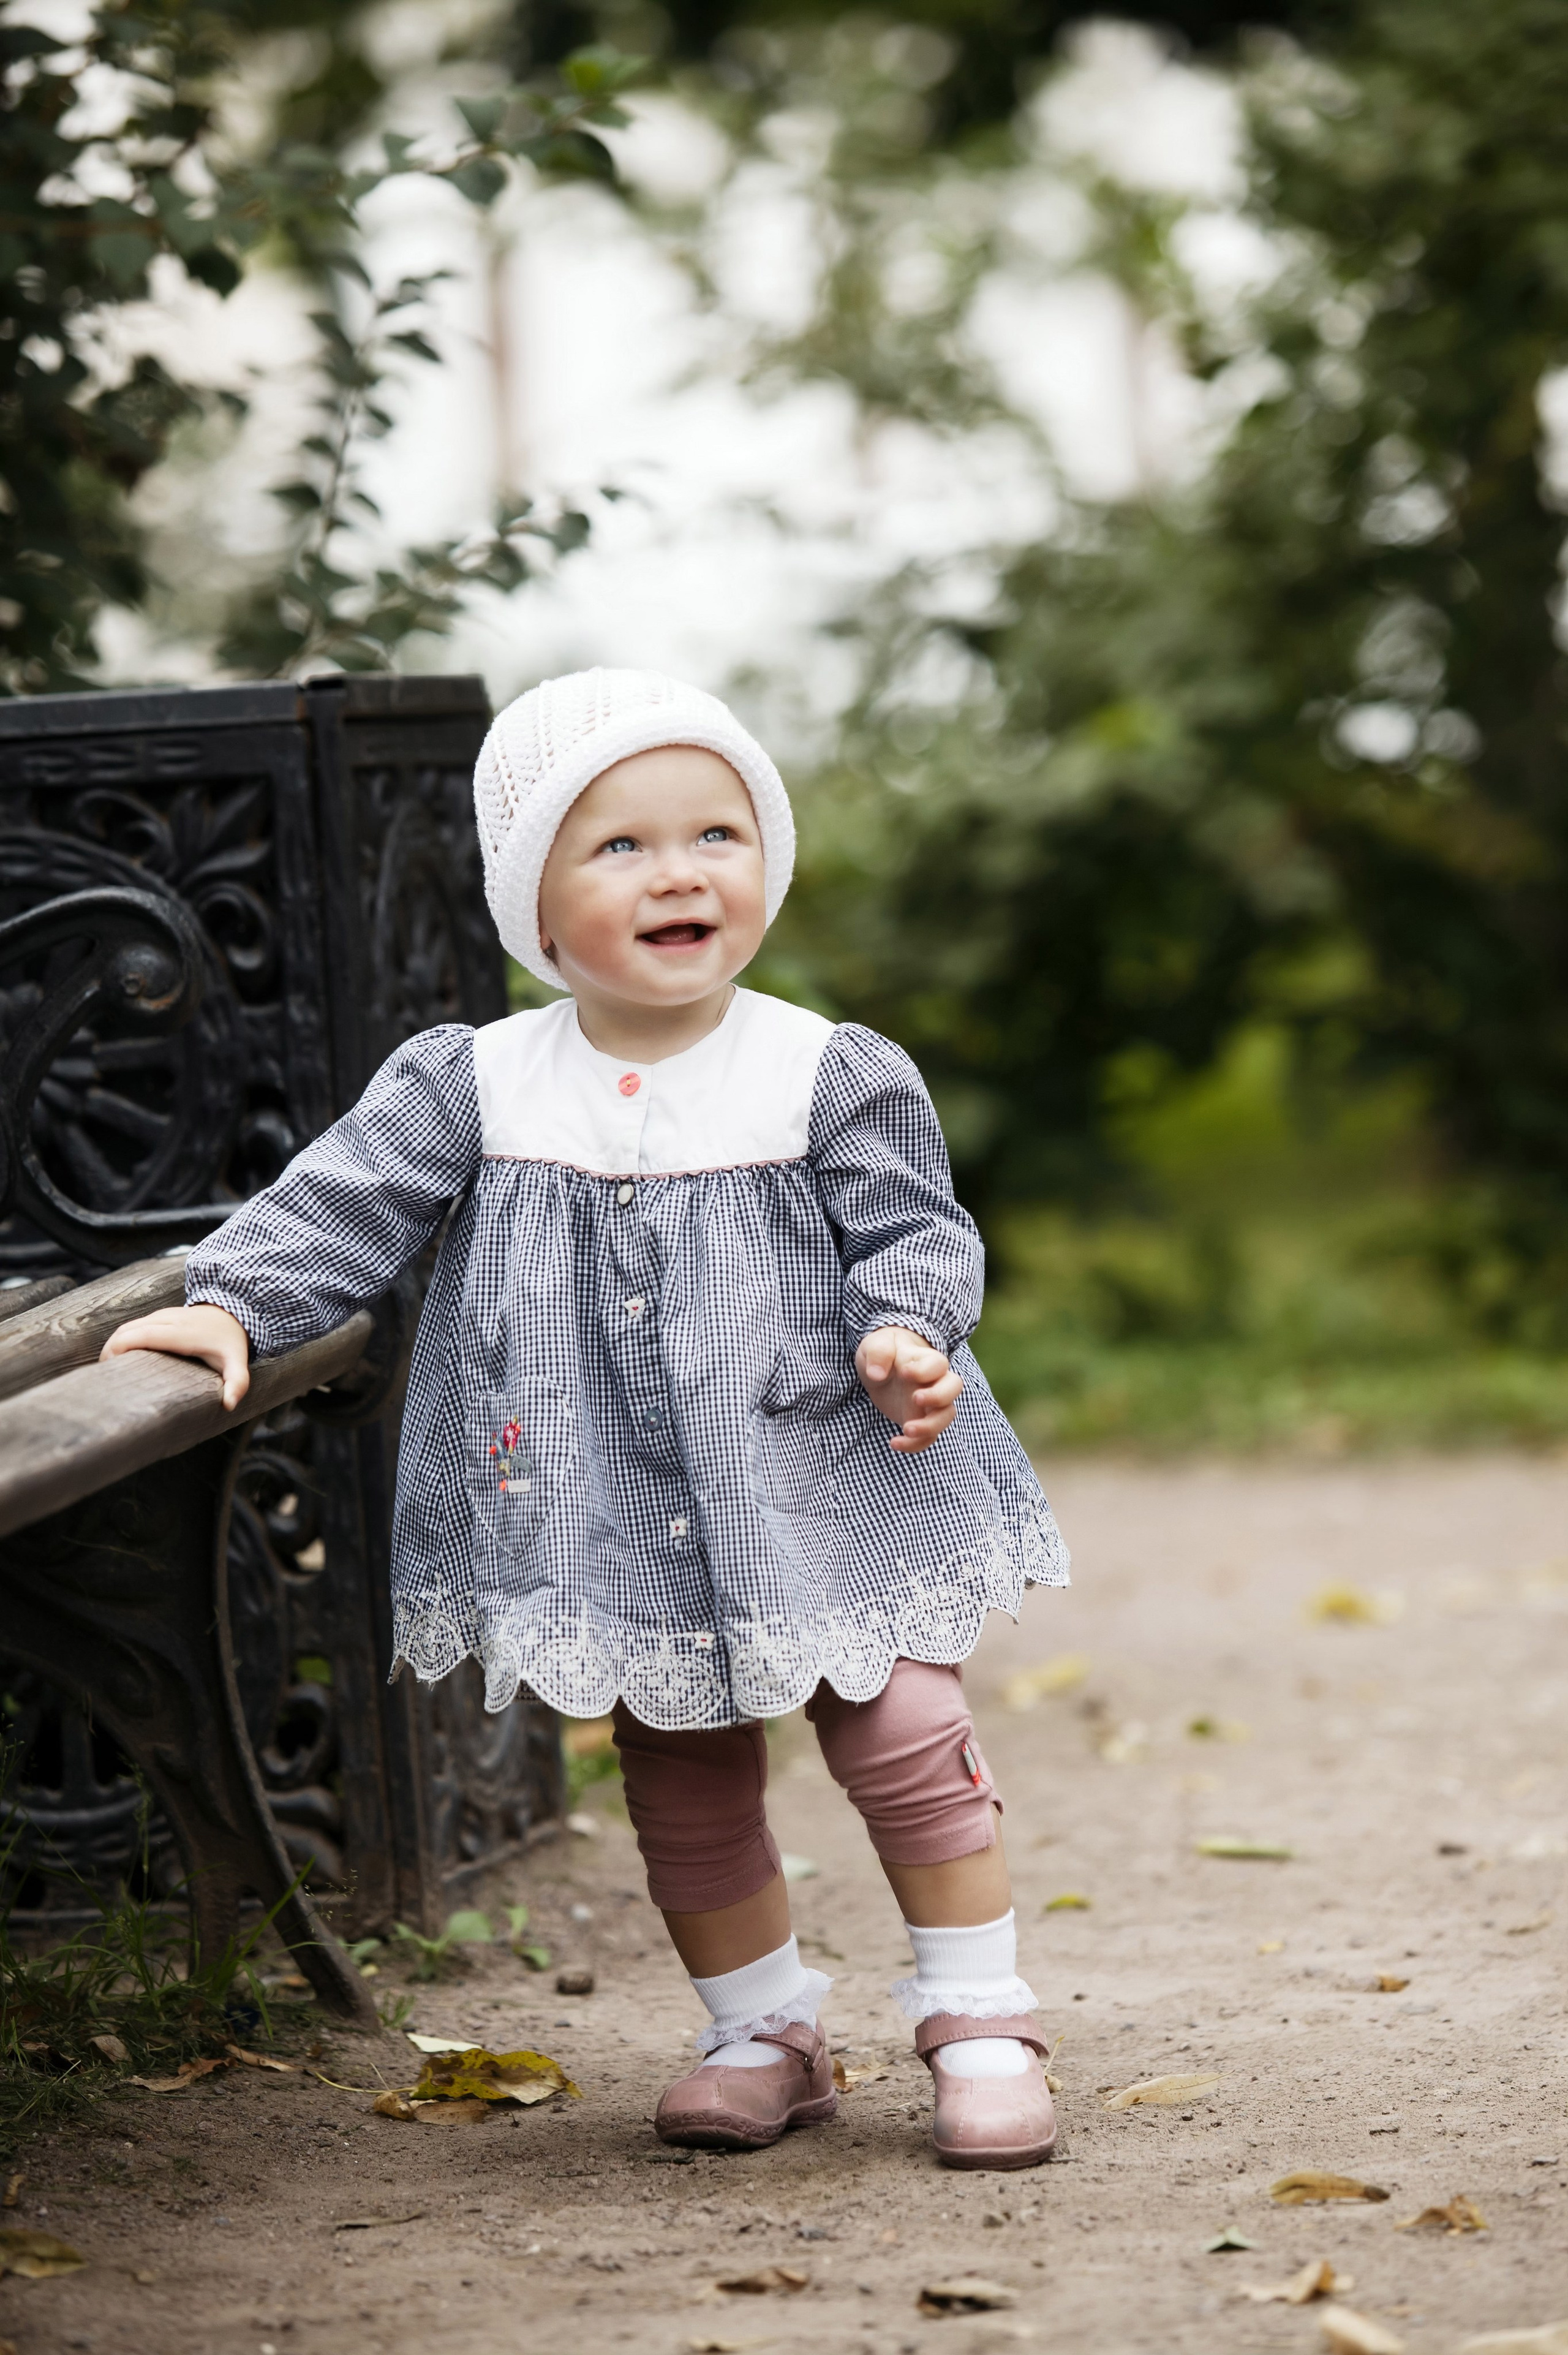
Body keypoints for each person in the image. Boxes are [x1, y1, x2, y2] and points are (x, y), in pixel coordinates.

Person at [102, 667, 1071, 2171]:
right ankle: (762, 2029)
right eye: (616, 845)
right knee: (680, 1758)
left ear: (766, 862)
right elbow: (343, 1205)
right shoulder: (476, 1082)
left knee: (901, 1719)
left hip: (822, 1461)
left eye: (714, 833)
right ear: (535, 907)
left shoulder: (825, 1067)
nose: (678, 870)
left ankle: (981, 2013)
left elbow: (914, 1233)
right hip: (603, 1486)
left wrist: (906, 1330)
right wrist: (235, 1299)